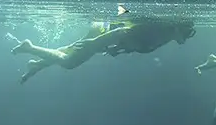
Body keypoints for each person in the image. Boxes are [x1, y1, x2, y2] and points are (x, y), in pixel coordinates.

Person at [10, 19, 196, 84]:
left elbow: (134, 43)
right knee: (69, 62)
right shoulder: (159, 31)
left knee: (71, 52)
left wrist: (119, 50)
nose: (187, 38)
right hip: (105, 32)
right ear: (177, 27)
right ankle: (29, 48)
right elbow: (123, 32)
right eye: (187, 32)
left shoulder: (165, 36)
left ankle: (37, 65)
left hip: (106, 35)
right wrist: (96, 41)